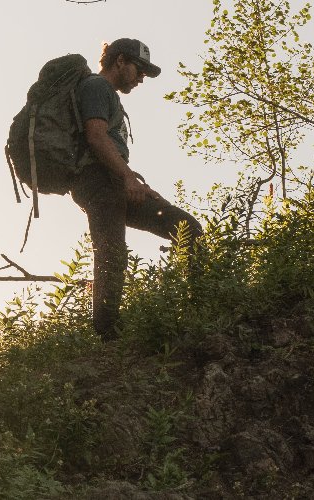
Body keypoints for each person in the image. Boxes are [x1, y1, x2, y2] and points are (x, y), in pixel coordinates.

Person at [73, 38, 203, 340]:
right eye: (139, 69)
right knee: (112, 253)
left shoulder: (108, 95)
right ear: (120, 62)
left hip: (116, 183)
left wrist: (135, 182)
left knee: (186, 229)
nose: (142, 77)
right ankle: (108, 337)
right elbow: (95, 137)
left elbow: (107, 145)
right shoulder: (96, 87)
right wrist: (128, 179)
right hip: (99, 185)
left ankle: (201, 307)